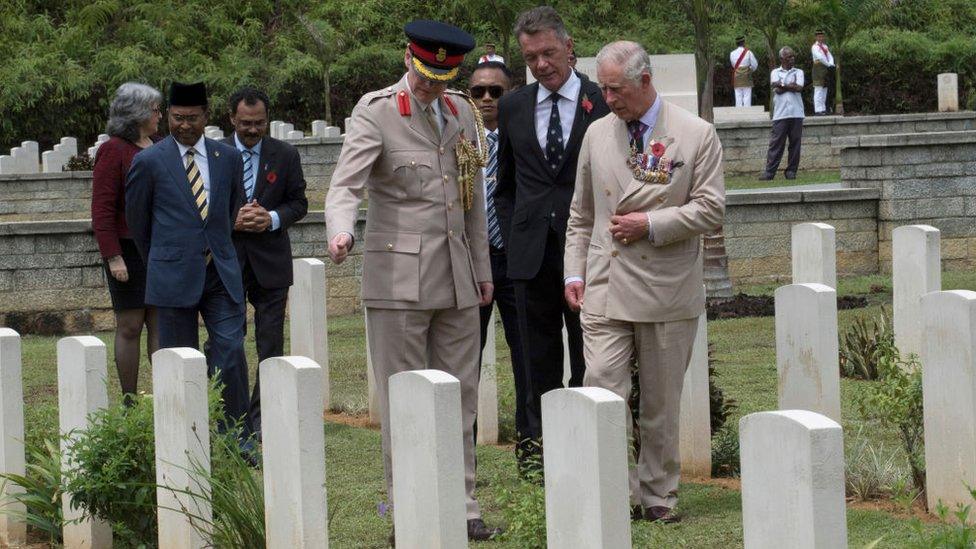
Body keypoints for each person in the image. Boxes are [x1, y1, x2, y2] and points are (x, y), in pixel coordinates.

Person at [324, 20, 502, 541]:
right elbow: (345, 186)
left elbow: (471, 200)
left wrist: (483, 272)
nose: (431, 87)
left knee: (461, 395)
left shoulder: (461, 114)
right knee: (404, 399)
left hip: (457, 279)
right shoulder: (376, 111)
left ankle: (464, 504)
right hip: (398, 279)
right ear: (408, 59)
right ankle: (408, 509)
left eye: (442, 78)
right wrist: (340, 233)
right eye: (425, 76)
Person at [564, 40, 725, 524]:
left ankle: (658, 494)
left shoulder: (695, 135)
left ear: (645, 81)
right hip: (605, 286)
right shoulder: (596, 135)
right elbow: (581, 213)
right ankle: (614, 489)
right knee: (603, 390)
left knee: (659, 404)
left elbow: (711, 207)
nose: (608, 98)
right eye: (604, 88)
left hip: (664, 289)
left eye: (616, 89)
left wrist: (650, 225)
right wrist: (575, 270)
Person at [494, 5, 609, 470]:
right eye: (530, 57)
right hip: (530, 255)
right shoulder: (513, 105)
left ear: (569, 48)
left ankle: (585, 455)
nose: (541, 64)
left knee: (590, 357)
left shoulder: (601, 103)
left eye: (547, 53)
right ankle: (536, 458)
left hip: (589, 254)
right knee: (533, 360)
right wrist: (515, 229)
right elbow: (505, 184)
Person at [125, 82, 250, 434]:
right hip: (172, 275)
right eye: (178, 118)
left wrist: (214, 248)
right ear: (167, 116)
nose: (184, 125)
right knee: (179, 358)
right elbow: (139, 222)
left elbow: (229, 209)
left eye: (192, 118)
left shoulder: (227, 158)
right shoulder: (148, 161)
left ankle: (234, 437)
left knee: (230, 348)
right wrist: (165, 259)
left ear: (206, 117)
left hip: (220, 272)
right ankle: (184, 434)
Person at [223, 86, 308, 436]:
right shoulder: (216, 154)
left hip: (271, 263)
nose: (253, 130)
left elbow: (298, 203)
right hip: (227, 263)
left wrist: (271, 218)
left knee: (270, 344)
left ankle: (263, 420)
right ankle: (233, 417)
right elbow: (201, 205)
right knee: (229, 341)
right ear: (232, 119)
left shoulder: (285, 154)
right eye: (245, 123)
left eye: (259, 123)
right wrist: (233, 219)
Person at [91, 82, 162, 400]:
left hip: (160, 245)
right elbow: (102, 209)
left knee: (161, 321)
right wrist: (113, 256)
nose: (159, 115)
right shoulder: (113, 150)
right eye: (154, 109)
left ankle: (165, 393)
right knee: (131, 324)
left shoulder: (161, 144)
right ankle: (130, 399)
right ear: (137, 113)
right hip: (127, 248)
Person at [469, 61, 526, 440]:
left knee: (526, 358)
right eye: (478, 92)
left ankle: (532, 450)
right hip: (472, 262)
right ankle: (461, 452)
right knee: (463, 360)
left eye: (496, 91)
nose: (487, 99)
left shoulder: (525, 136)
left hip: (517, 259)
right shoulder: (456, 136)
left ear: (511, 93)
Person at [760, 47, 805, 181]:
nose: (792, 59)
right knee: (776, 144)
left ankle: (791, 171)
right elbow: (776, 88)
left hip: (796, 113)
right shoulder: (775, 72)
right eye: (789, 57)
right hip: (780, 114)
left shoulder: (799, 72)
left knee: (795, 143)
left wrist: (782, 85)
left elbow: (799, 87)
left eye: (793, 56)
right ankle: (770, 172)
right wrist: (790, 86)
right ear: (782, 59)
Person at [729, 36, 758, 107]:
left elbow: (734, 65)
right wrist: (750, 69)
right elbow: (755, 64)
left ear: (736, 43)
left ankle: (738, 114)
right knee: (747, 96)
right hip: (747, 76)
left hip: (737, 76)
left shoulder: (732, 53)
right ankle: (747, 113)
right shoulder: (748, 52)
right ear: (743, 42)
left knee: (738, 96)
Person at [811, 30, 834, 115]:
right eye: (819, 36)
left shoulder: (825, 46)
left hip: (826, 68)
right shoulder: (814, 47)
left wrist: (831, 63)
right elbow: (820, 57)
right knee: (818, 88)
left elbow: (829, 55)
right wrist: (829, 64)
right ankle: (818, 110)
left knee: (825, 88)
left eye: (822, 36)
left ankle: (823, 108)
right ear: (816, 37)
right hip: (818, 68)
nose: (821, 38)